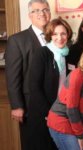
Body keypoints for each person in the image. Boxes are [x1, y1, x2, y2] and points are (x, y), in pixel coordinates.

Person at [4, 0, 51, 149]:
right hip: (30, 105)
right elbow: (12, 76)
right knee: (33, 143)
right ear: (29, 15)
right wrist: (17, 105)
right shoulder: (17, 40)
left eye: (45, 10)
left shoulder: (57, 37)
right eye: (36, 11)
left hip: (53, 103)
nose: (42, 14)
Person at [27, 17, 72, 150]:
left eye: (63, 33)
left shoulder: (69, 54)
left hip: (63, 112)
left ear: (68, 35)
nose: (60, 37)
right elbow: (34, 87)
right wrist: (49, 112)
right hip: (44, 112)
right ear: (50, 36)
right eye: (55, 34)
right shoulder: (42, 53)